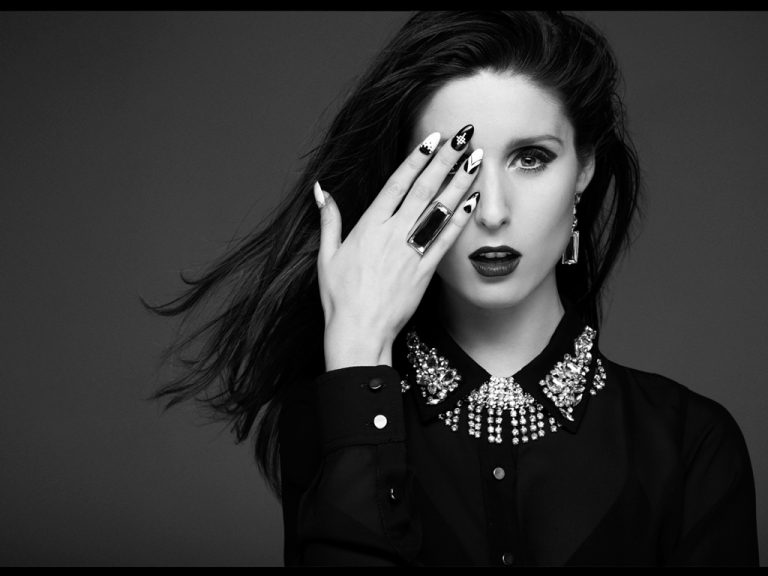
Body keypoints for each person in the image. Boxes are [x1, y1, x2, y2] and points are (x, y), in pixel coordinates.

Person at [143, 11, 759, 566]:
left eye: (532, 158)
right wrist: (356, 351)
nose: (491, 211)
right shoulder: (332, 417)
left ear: (585, 170)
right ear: (406, 183)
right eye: (460, 167)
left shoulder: (690, 444)